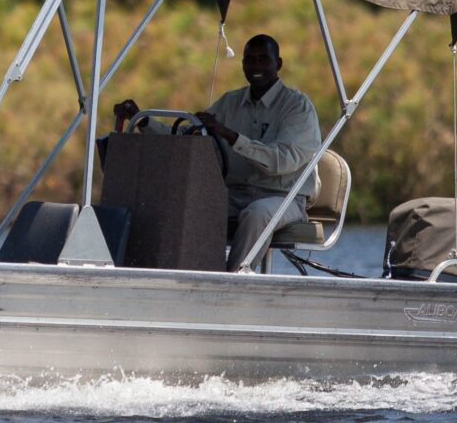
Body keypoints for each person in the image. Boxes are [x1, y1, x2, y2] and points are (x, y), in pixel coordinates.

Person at [110, 34, 323, 272]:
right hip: (234, 193)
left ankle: (234, 279)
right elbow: (187, 138)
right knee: (190, 203)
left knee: (257, 213)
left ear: (278, 64)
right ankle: (185, 273)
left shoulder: (297, 107)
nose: (257, 66)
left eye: (264, 59)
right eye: (250, 60)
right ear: (243, 65)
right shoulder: (230, 102)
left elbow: (281, 161)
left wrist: (229, 135)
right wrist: (144, 121)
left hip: (285, 197)